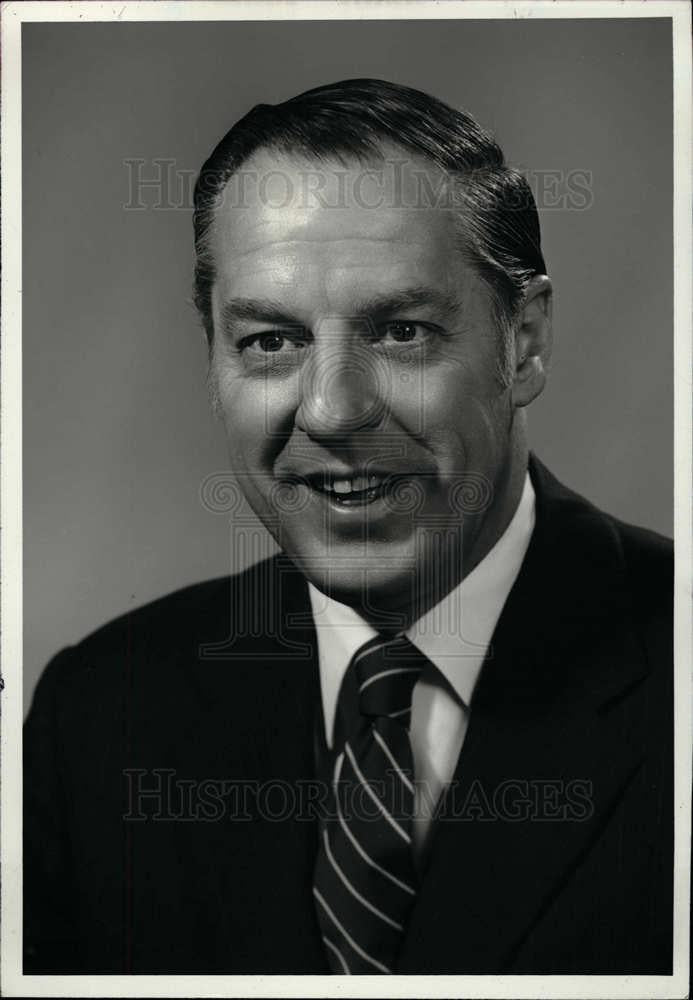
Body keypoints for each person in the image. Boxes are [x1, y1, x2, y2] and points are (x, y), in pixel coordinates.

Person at [24, 79, 673, 975]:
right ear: (213, 356)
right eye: (270, 342)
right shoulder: (102, 716)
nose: (331, 410)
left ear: (522, 343)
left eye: (401, 331)